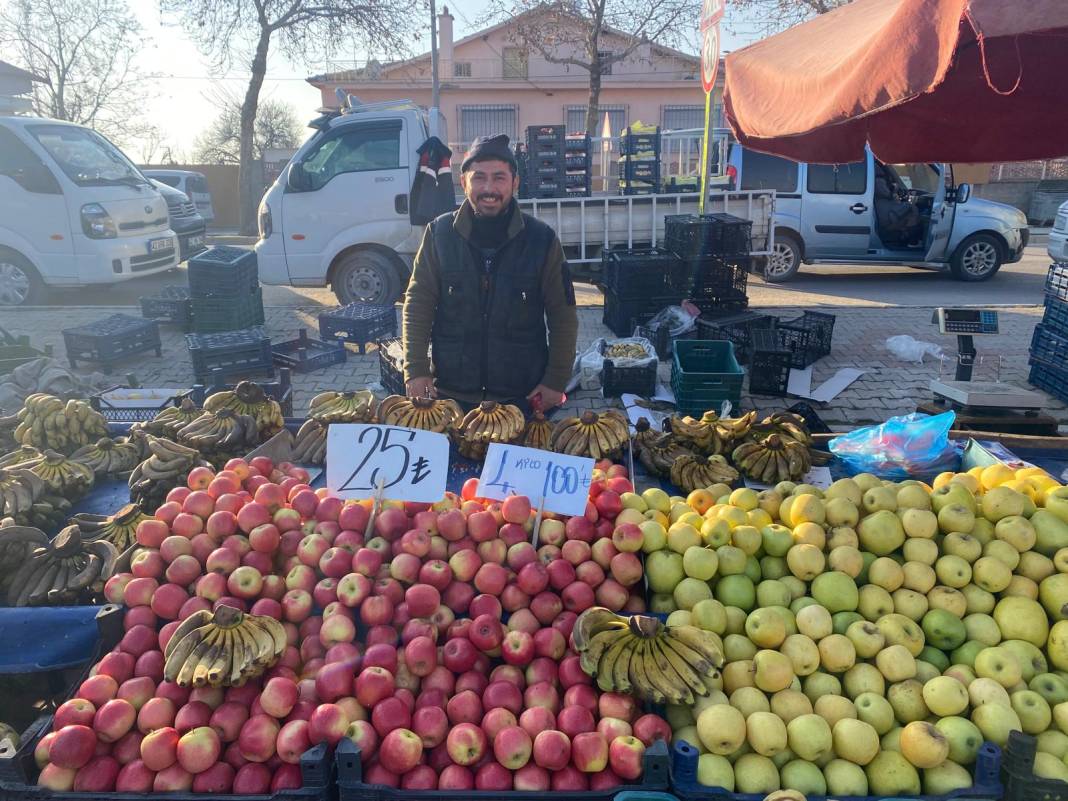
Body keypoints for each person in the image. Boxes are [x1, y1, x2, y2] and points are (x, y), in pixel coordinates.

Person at [401, 134, 578, 409]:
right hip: (451, 394)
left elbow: (563, 314)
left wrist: (555, 381)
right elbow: (418, 304)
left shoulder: (541, 239)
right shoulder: (439, 234)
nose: (489, 188)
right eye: (479, 178)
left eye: (499, 178)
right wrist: (416, 368)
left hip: (523, 396)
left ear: (515, 183)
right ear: (464, 182)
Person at [874, 162, 922, 246]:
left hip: (879, 207)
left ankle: (902, 233)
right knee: (912, 209)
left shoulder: (876, 165)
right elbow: (884, 192)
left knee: (905, 212)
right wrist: (894, 190)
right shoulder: (877, 171)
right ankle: (912, 239)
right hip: (882, 209)